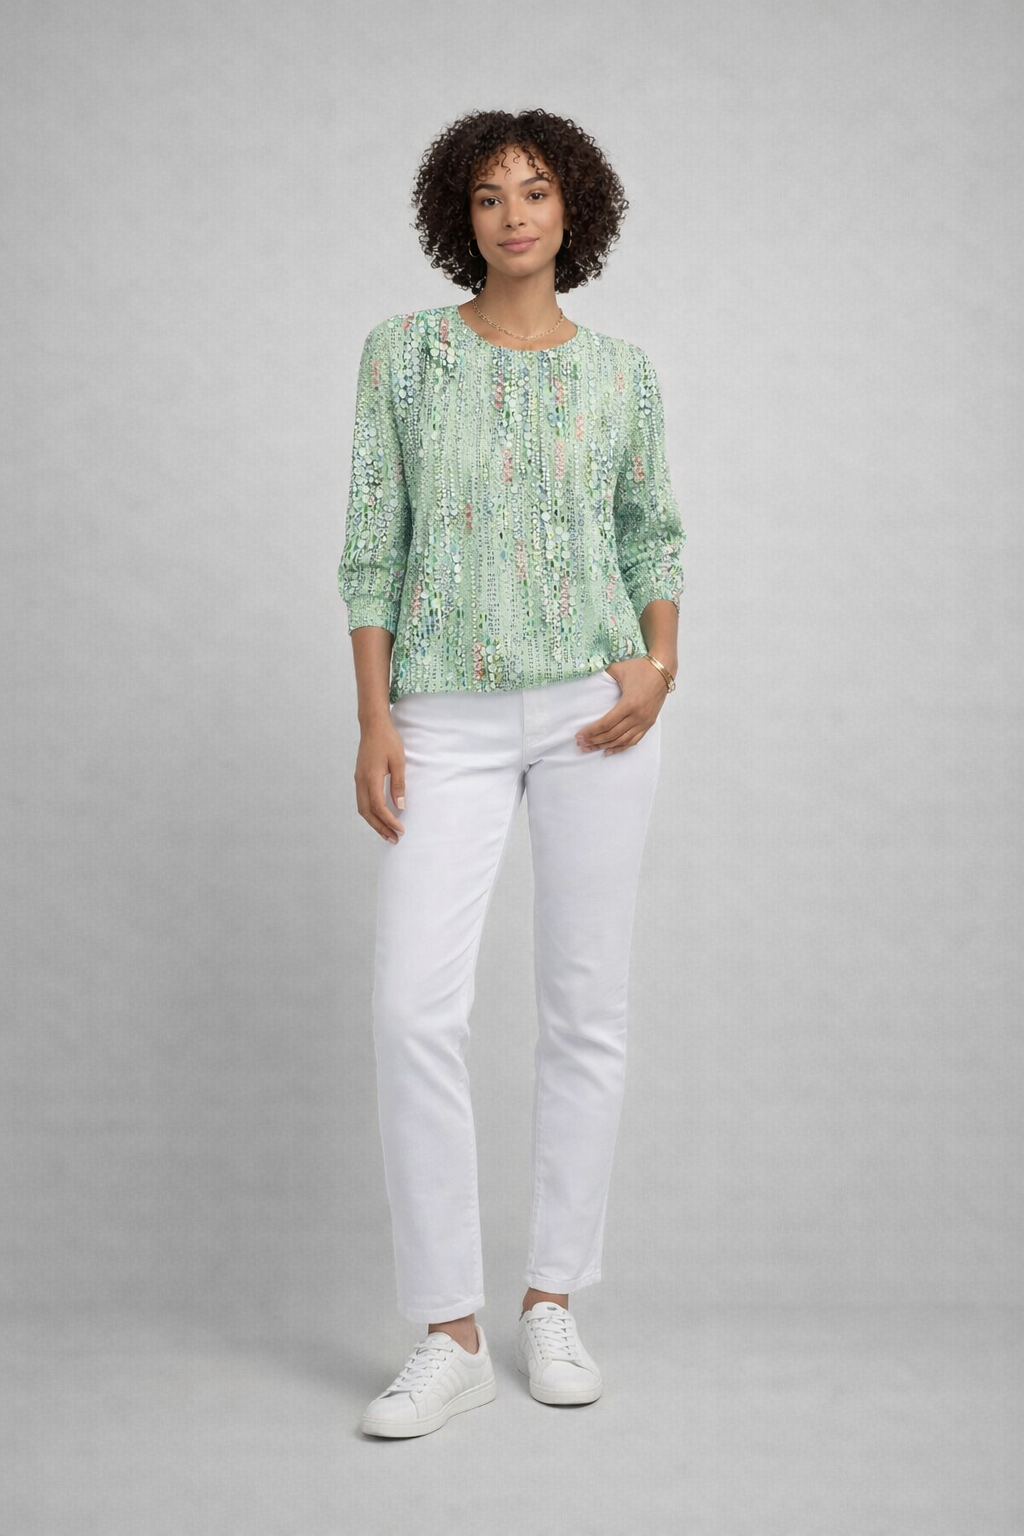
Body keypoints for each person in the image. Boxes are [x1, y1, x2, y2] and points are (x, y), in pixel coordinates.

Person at [337, 108, 685, 1438]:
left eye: (536, 191)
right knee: (412, 1010)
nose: (515, 214)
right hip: (443, 715)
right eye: (489, 196)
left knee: (584, 1006)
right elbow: (372, 542)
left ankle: (551, 1299)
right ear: (460, 218)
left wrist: (659, 667)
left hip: (599, 710)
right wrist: (374, 717)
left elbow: (654, 536)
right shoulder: (404, 356)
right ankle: (449, 1333)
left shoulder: (624, 374)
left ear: (573, 208)